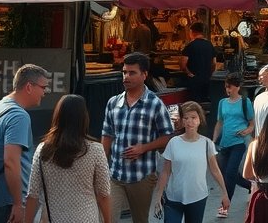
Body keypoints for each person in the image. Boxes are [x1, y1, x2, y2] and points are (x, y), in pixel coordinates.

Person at [0, 63, 51, 223]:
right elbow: (11, 162)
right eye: (43, 87)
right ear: (29, 87)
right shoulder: (18, 116)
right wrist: (18, 204)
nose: (45, 92)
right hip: (6, 203)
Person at [102, 53, 175, 223]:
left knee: (140, 220)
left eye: (132, 73)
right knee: (106, 218)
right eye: (124, 72)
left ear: (144, 75)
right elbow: (107, 136)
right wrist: (102, 166)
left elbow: (168, 137)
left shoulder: (155, 104)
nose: (126, 77)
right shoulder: (113, 102)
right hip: (115, 175)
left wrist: (144, 148)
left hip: (141, 176)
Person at [24, 94, 111, 223]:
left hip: (52, 218)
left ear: (58, 117)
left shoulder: (43, 150)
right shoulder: (95, 150)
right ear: (84, 118)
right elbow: (103, 194)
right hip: (86, 219)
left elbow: (32, 194)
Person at [154, 102, 227, 223]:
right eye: (186, 118)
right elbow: (165, 172)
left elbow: (215, 170)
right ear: (182, 121)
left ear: (200, 120)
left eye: (193, 117)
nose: (190, 121)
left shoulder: (207, 143)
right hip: (174, 197)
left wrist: (224, 193)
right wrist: (158, 196)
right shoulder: (174, 143)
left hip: (197, 197)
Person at [211, 73, 253, 218]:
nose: (227, 89)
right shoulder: (222, 102)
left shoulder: (245, 102)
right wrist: (213, 140)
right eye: (226, 87)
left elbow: (252, 124)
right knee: (228, 174)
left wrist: (246, 131)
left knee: (229, 173)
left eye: (230, 87)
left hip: (239, 143)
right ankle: (250, 186)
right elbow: (219, 122)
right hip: (224, 143)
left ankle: (224, 206)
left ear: (237, 87)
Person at [179, 22, 216, 102]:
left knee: (195, 103)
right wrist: (209, 73)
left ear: (192, 32)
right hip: (207, 80)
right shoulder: (209, 45)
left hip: (194, 81)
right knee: (205, 103)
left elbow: (182, 65)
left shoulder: (190, 46)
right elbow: (214, 63)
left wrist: (189, 73)